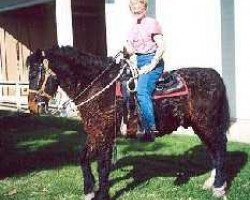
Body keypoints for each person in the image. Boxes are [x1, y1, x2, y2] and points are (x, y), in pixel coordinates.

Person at [124, 0, 165, 142]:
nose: (136, 9)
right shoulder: (132, 28)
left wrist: (152, 65)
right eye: (133, 7)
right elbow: (130, 50)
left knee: (141, 92)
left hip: (153, 61)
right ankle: (132, 126)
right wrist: (127, 50)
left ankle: (152, 128)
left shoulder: (152, 23)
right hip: (139, 62)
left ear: (145, 7)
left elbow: (162, 46)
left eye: (138, 6)